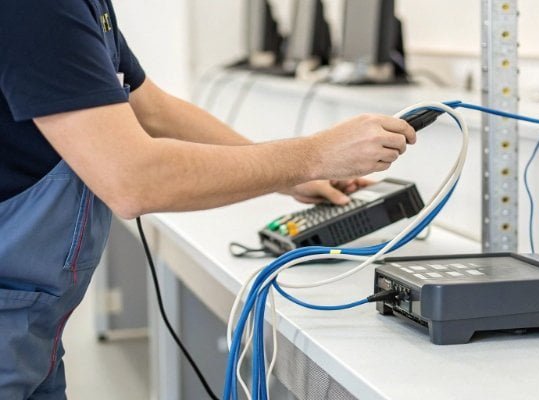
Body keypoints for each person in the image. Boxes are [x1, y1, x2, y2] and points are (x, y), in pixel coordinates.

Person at [0, 1, 416, 398]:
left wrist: (292, 178)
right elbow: (131, 180)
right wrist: (312, 155)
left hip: (33, 323)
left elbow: (154, 110)